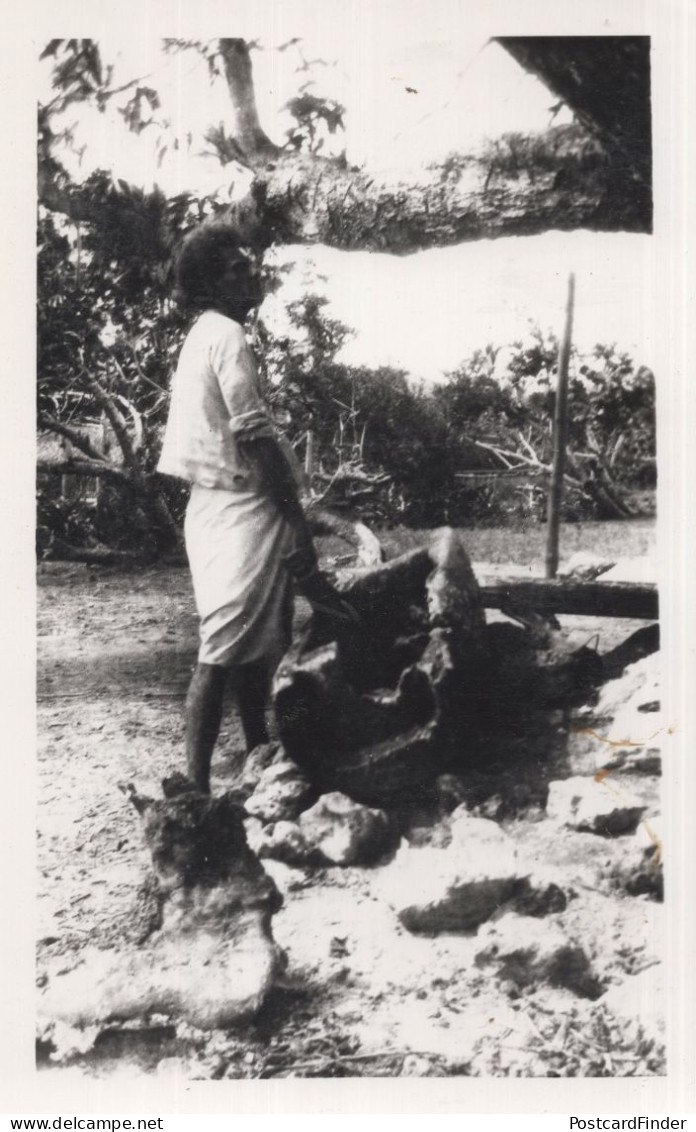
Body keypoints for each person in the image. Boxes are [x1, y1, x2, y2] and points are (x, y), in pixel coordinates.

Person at [158, 221, 353, 793]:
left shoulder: (207, 332)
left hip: (226, 506)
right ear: (213, 284)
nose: (253, 273)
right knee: (220, 651)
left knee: (257, 646)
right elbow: (255, 435)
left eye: (250, 262)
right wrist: (295, 521)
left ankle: (257, 754)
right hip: (239, 508)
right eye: (238, 268)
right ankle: (195, 788)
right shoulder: (223, 335)